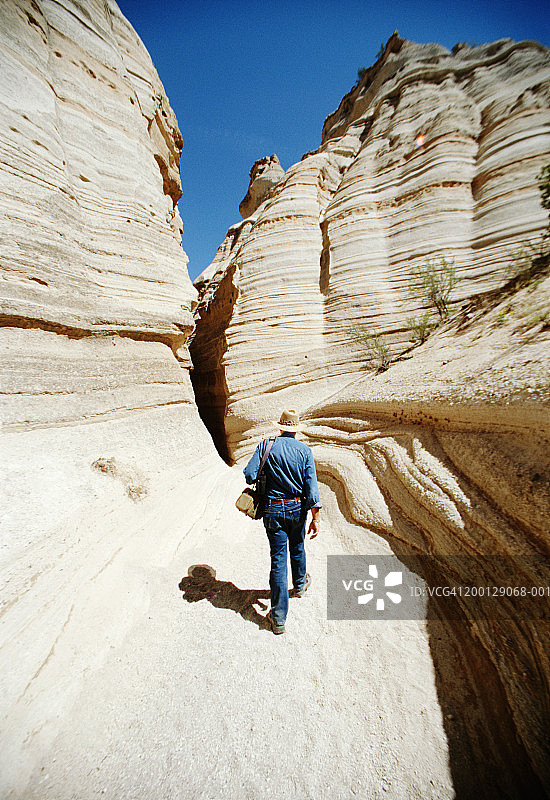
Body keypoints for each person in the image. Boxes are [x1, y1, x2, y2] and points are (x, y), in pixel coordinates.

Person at [244, 409, 321, 635]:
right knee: (297, 547)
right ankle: (299, 586)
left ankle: (278, 619)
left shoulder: (266, 445)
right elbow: (312, 488)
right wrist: (315, 517)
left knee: (278, 559)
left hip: (273, 509)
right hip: (297, 508)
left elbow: (249, 475)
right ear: (296, 430)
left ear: (280, 427)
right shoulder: (305, 451)